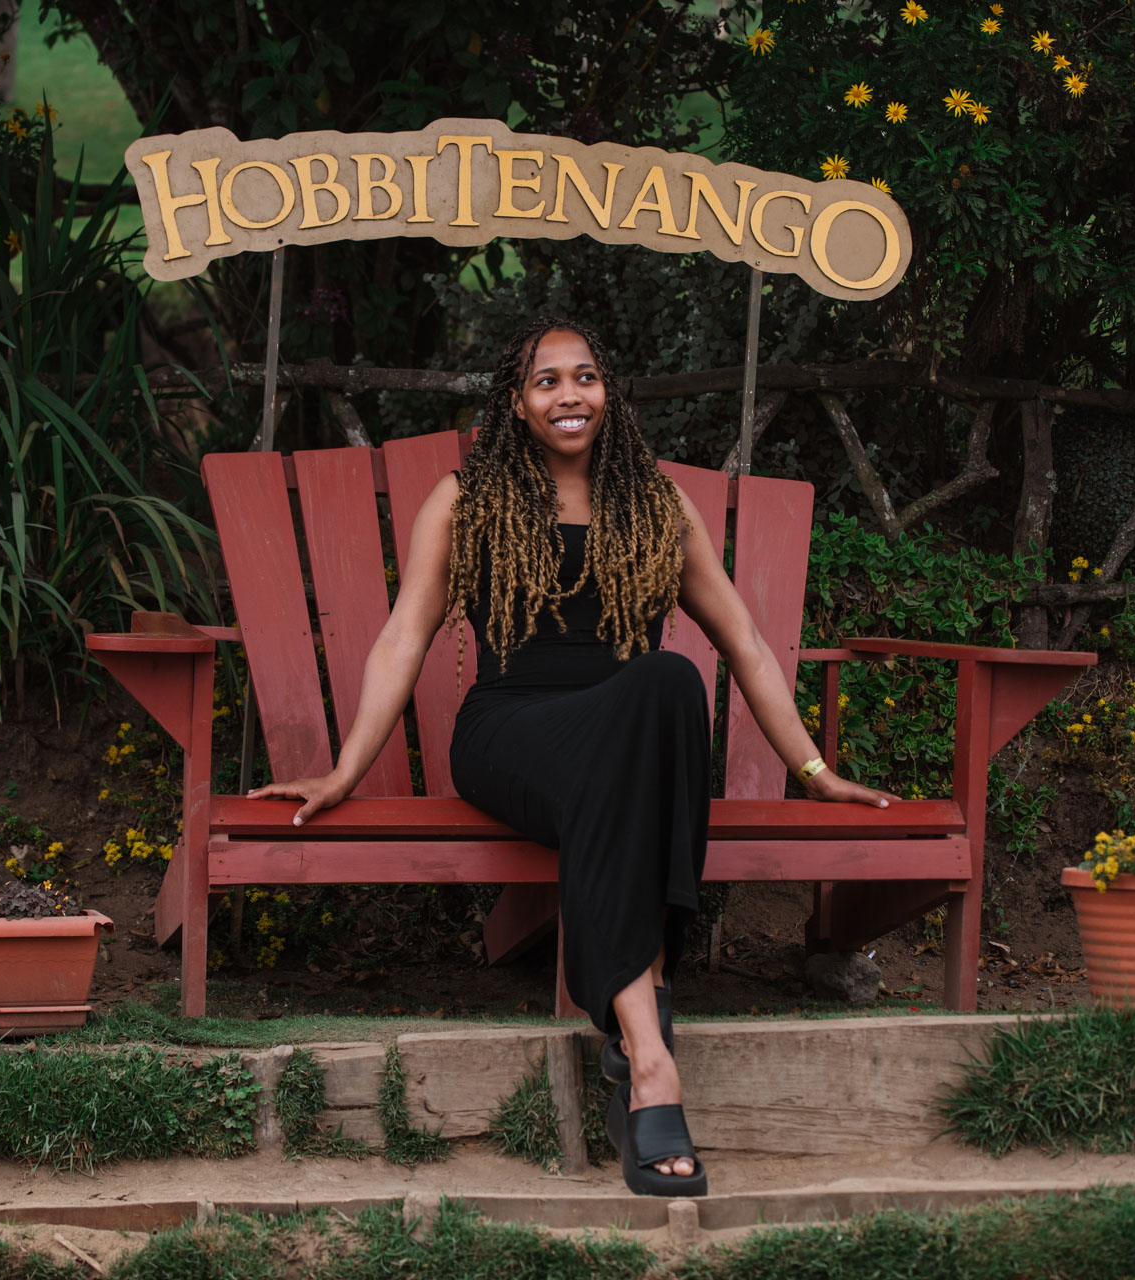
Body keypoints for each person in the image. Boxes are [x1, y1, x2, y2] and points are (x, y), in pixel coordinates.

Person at [248, 318, 895, 1196]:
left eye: (584, 377)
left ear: (609, 392)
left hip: (622, 745)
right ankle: (650, 1044)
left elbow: (741, 639)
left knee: (667, 679)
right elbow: (405, 635)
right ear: (516, 405)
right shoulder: (469, 499)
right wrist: (346, 770)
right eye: (546, 382)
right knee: (648, 718)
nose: (568, 396)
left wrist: (816, 775)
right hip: (510, 734)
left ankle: (644, 1053)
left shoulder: (657, 503)